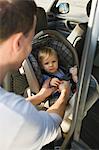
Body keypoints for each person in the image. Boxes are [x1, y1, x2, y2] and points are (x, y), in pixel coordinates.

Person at [0, 0, 70, 150]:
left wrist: (40, 96)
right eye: (31, 40)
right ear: (18, 43)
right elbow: (53, 122)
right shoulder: (18, 120)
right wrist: (64, 94)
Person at [38, 46, 78, 132]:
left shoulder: (61, 69)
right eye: (46, 63)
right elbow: (44, 85)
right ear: (41, 66)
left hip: (70, 87)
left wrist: (72, 71)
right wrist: (51, 82)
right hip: (57, 96)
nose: (51, 65)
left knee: (75, 77)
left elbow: (68, 71)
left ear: (57, 61)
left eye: (53, 61)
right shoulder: (45, 76)